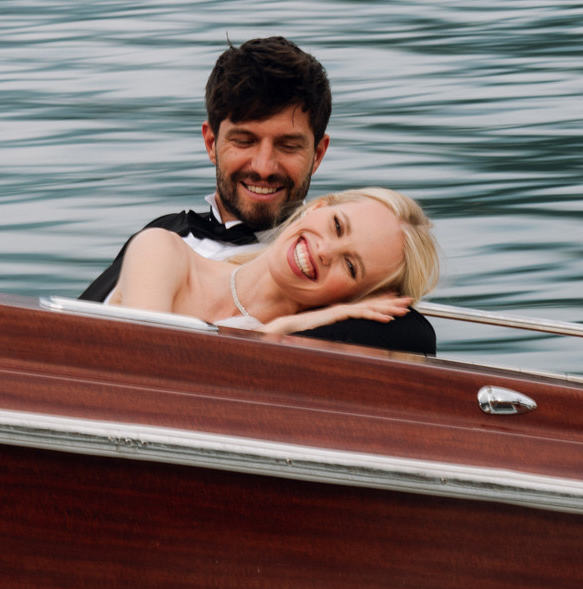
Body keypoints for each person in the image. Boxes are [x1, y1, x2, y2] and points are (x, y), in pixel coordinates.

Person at [79, 34, 436, 355]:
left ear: (318, 154)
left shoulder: (321, 286)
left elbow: (412, 336)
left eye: (288, 145)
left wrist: (287, 328)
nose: (264, 166)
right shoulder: (165, 235)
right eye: (244, 140)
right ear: (211, 143)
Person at [111, 186, 440, 346]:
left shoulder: (306, 349)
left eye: (351, 267)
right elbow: (146, 369)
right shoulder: (163, 250)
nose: (326, 251)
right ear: (317, 207)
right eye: (338, 226)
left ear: (352, 299)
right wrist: (273, 333)